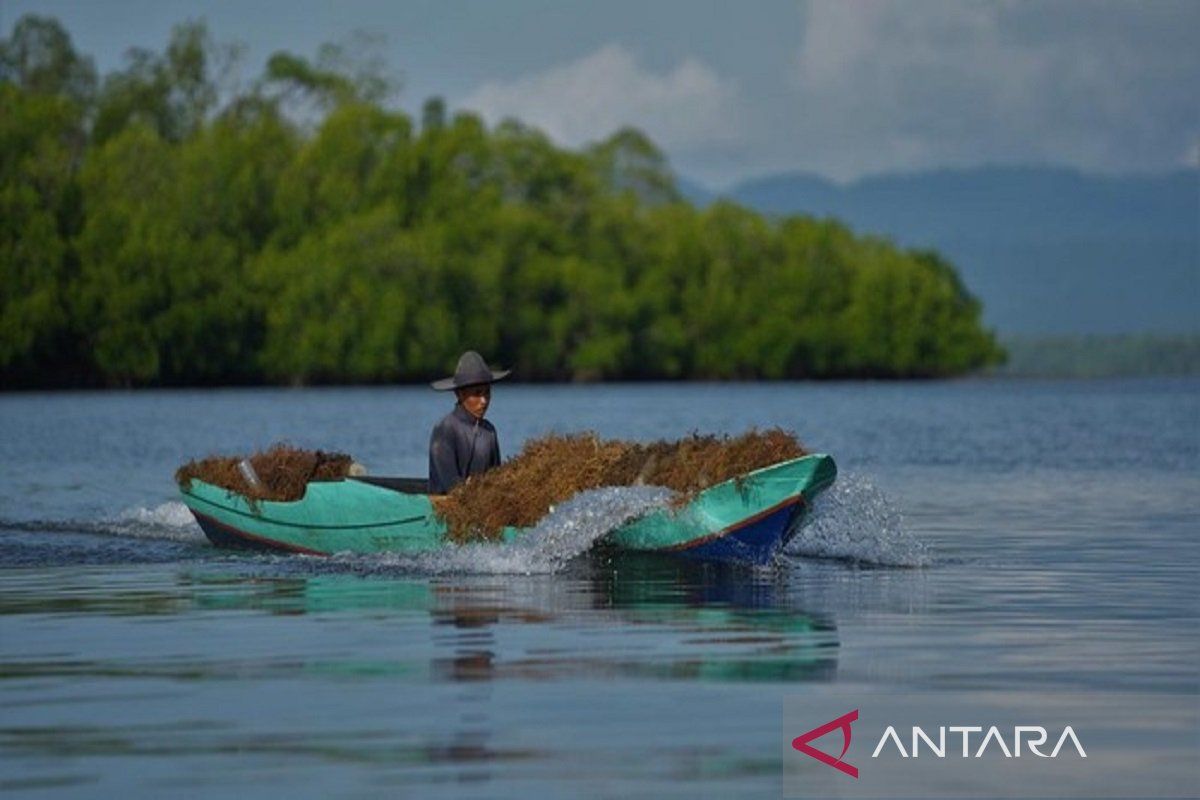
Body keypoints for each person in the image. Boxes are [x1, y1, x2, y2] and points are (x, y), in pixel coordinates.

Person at [428, 351, 510, 494]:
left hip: (481, 503)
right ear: (459, 394)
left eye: (487, 393)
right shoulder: (445, 428)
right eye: (477, 393)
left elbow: (496, 478)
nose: (484, 401)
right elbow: (451, 486)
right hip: (448, 507)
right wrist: (468, 489)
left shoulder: (489, 431)